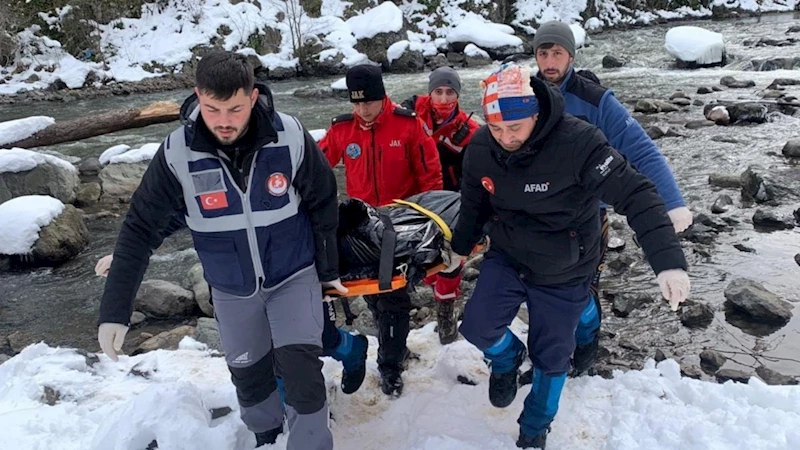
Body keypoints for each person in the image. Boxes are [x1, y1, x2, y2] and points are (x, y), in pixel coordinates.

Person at [96, 51, 342, 450]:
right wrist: (115, 309)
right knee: (250, 378)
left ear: (253, 96)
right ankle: (266, 437)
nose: (224, 121)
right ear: (198, 96)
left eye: (235, 109)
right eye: (212, 109)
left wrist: (328, 271)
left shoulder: (290, 135)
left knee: (301, 372)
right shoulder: (177, 153)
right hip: (230, 289)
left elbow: (323, 200)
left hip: (293, 276)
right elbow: (141, 227)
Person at [442, 63, 690, 449]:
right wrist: (459, 249)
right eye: (496, 128)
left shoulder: (579, 142)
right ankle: (507, 359)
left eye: (514, 128)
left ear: (535, 114)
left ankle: (535, 426)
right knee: (477, 325)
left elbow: (637, 194)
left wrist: (668, 262)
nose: (505, 138)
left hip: (566, 263)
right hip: (509, 254)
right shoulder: (481, 146)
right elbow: (474, 206)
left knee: (552, 357)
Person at [531, 20, 693, 376]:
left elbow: (642, 151)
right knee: (542, 287)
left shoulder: (596, 100)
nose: (550, 61)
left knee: (581, 291)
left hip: (589, 214)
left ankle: (585, 345)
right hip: (540, 212)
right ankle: (554, 356)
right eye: (543, 53)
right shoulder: (527, 97)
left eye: (557, 53)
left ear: (571, 56)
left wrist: (671, 203)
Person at [318, 64, 443, 396]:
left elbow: (431, 180)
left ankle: (390, 366)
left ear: (382, 97)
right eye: (356, 103)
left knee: (393, 299)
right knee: (374, 295)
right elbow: (316, 167)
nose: (362, 110)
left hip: (399, 228)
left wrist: (429, 232)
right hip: (361, 228)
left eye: (369, 103)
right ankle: (393, 347)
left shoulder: (408, 126)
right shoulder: (342, 129)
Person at [400, 66, 482, 345]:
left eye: (450, 92)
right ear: (430, 92)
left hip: (448, 202)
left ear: (458, 95)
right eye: (438, 92)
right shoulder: (409, 116)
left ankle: (445, 313)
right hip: (412, 199)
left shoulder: (469, 132)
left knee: (450, 261)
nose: (444, 99)